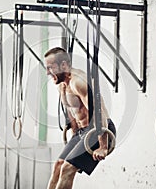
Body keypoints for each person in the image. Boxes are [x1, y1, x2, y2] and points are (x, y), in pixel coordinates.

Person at [44, 47, 116, 189]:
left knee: (67, 169)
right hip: (82, 132)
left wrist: (103, 146)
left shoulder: (78, 82)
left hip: (98, 130)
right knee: (58, 166)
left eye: (50, 68)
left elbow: (98, 112)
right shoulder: (61, 84)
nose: (47, 72)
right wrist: (74, 135)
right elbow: (72, 109)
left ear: (63, 65)